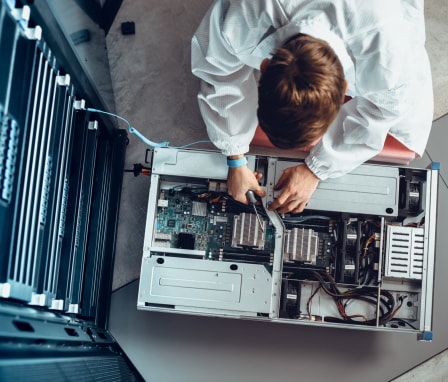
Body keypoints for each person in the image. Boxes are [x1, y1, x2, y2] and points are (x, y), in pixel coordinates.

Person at [191, 0, 433, 214]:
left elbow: (383, 111)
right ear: (264, 68)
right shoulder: (241, 15)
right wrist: (235, 157)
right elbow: (219, 74)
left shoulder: (388, 53)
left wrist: (317, 169)